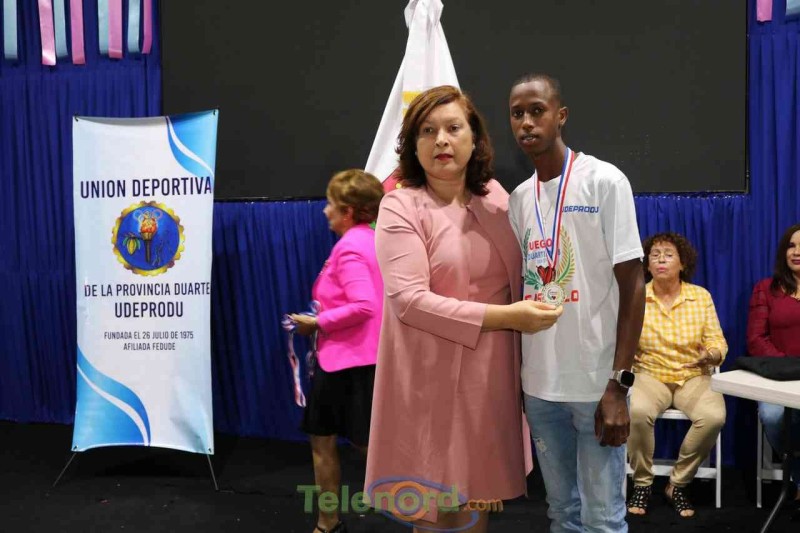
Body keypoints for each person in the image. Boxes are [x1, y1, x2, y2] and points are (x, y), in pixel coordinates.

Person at [365, 85, 562, 533]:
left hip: (490, 377)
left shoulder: (497, 198)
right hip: (427, 377)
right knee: (434, 511)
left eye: (453, 128)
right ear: (412, 145)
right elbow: (409, 301)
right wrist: (508, 318)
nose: (441, 140)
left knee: (476, 503)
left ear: (474, 139)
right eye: (427, 131)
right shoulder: (400, 204)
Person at [507, 73, 646, 533]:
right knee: (562, 514)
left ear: (561, 115)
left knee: (602, 519)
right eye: (517, 114)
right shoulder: (519, 199)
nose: (527, 123)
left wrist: (619, 385)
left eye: (537, 111)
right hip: (540, 387)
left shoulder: (604, 181)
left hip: (596, 385)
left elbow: (634, 284)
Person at [289, 169, 385, 533]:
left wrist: (317, 323)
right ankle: (328, 522)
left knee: (338, 445)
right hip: (360, 361)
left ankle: (328, 524)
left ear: (348, 211)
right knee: (346, 442)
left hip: (346, 364)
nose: (324, 210)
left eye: (331, 204)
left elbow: (364, 306)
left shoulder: (349, 247)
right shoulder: (373, 241)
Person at [626, 233, 727, 518]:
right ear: (647, 264)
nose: (661, 259)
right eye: (655, 255)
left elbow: (717, 341)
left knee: (713, 417)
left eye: (668, 254)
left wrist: (711, 355)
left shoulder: (700, 297)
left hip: (693, 374)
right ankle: (642, 482)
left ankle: (677, 483)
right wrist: (626, 352)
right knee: (636, 412)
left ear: (682, 263)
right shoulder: (636, 296)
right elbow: (621, 337)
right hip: (650, 373)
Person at [747, 222, 800, 514]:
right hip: (777, 377)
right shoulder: (765, 289)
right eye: (791, 246)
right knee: (772, 415)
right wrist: (787, 366)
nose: (797, 252)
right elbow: (756, 340)